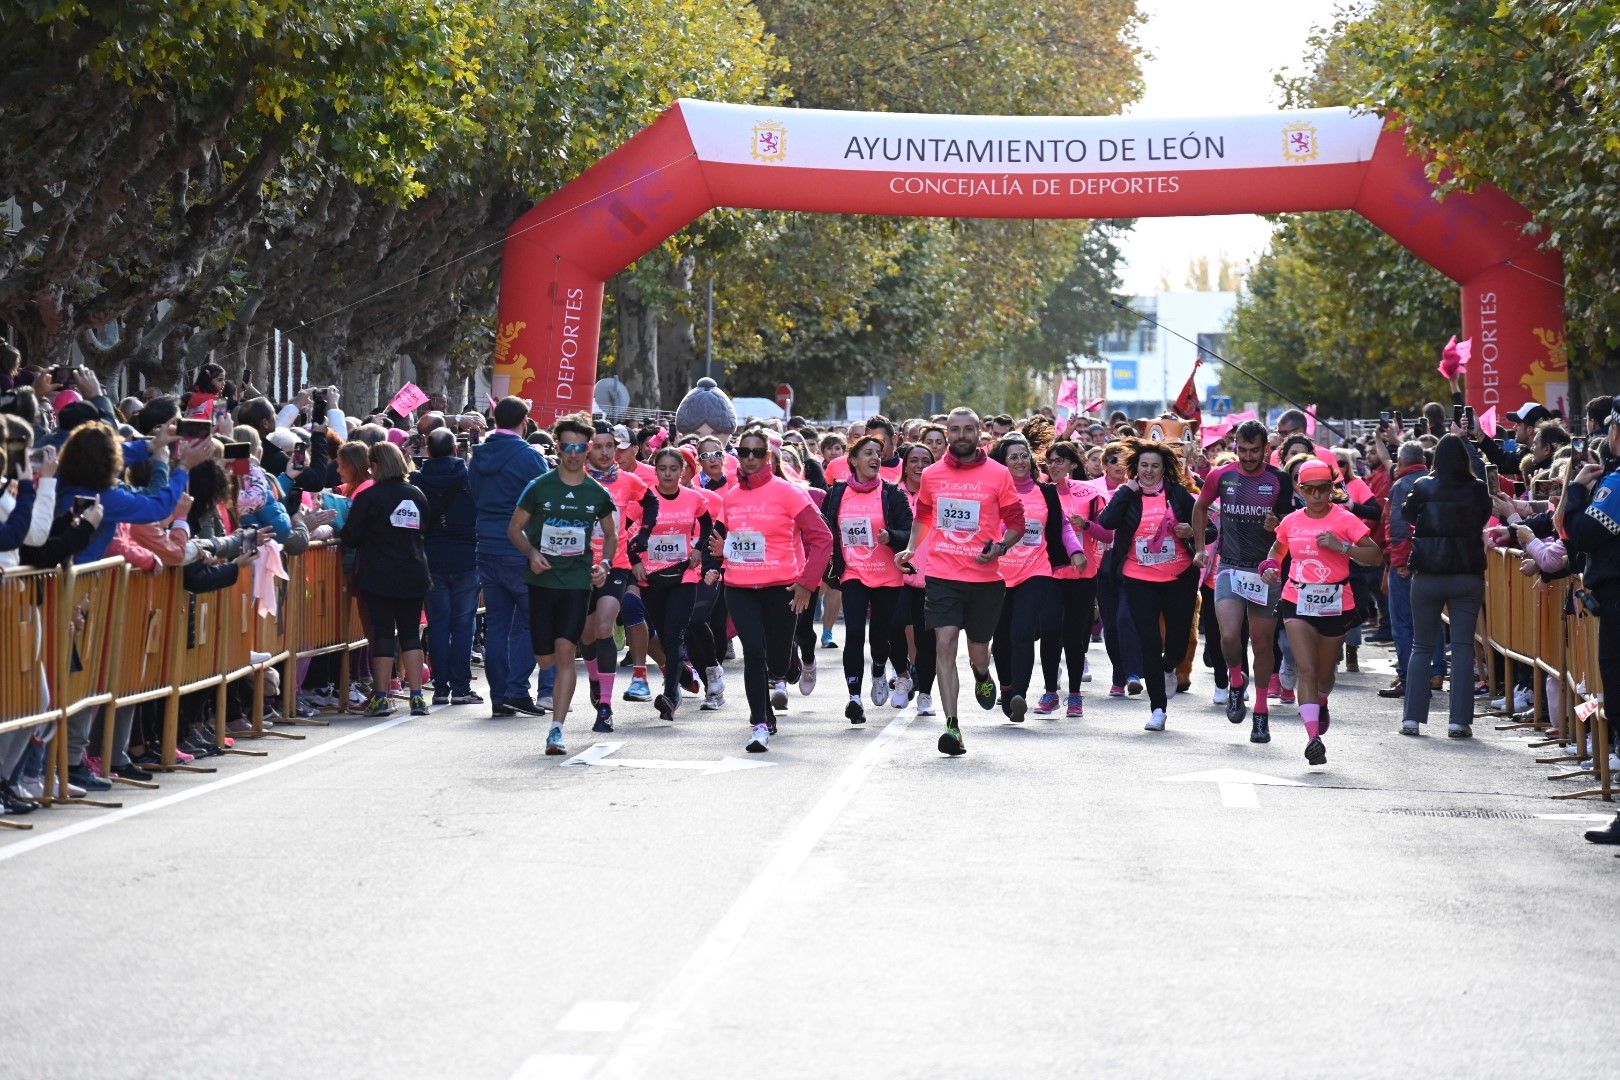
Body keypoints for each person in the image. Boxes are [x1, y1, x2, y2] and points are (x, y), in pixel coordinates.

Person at [894, 408, 1025, 757]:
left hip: (985, 578)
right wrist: (910, 548)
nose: (961, 435)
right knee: (944, 643)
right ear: (947, 433)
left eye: (968, 429)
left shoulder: (998, 474)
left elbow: (1016, 522)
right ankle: (953, 727)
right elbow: (923, 514)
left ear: (979, 432)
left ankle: (982, 676)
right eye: (955, 429)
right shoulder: (933, 475)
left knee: (978, 652)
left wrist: (1000, 547)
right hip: (943, 575)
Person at [709, 425, 832, 753]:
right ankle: (759, 723)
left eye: (756, 453)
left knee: (776, 663)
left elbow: (823, 538)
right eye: (743, 452)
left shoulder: (789, 492)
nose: (749, 459)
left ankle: (786, 665)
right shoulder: (731, 497)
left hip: (782, 588)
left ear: (768, 457)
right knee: (754, 653)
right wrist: (717, 553)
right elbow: (720, 539)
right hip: (740, 587)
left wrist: (807, 583)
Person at [507, 413, 616, 755]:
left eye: (580, 447)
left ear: (587, 449)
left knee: (567, 651)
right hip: (542, 581)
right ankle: (555, 702)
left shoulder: (595, 493)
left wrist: (605, 564)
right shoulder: (540, 486)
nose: (574, 453)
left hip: (576, 581)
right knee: (546, 658)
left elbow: (611, 535)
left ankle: (557, 729)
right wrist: (532, 553)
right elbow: (514, 529)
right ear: (558, 447)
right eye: (567, 446)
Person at [1261, 457, 1382, 764]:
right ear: (1300, 490)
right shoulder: (1291, 521)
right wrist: (1271, 566)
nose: (1316, 496)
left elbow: (1374, 555)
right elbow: (1277, 548)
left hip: (1336, 604)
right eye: (1310, 490)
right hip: (1296, 598)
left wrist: (1343, 548)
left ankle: (1322, 700)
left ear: (1332, 488)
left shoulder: (1344, 520)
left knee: (1325, 675)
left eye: (1323, 489)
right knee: (1307, 670)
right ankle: (1313, 737)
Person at [1191, 419, 1294, 743]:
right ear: (1235, 447)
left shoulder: (1277, 480)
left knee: (1263, 645)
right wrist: (1199, 548)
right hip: (1231, 567)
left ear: (1267, 448)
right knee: (1229, 636)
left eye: (1255, 451)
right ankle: (1237, 681)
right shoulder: (1222, 476)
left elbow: (1290, 525)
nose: (1249, 456)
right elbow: (1200, 507)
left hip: (1265, 570)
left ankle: (1261, 712)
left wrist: (1277, 526)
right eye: (1243, 450)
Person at [1097, 438, 1199, 732]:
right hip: (1138, 577)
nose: (1149, 471)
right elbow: (1106, 522)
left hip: (1178, 577)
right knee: (1149, 644)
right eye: (1144, 466)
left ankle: (1171, 666)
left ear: (1164, 468)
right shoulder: (1127, 494)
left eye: (1155, 466)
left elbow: (1209, 529)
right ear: (1136, 468)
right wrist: (1125, 492)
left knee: (1177, 644)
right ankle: (1158, 709)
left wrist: (1190, 531)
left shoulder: (1178, 494)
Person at [1399, 434, 1494, 737]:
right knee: (1464, 646)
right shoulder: (1477, 488)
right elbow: (1483, 517)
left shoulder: (1423, 486)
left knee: (1421, 646)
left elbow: (1407, 513)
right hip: (1466, 573)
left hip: (1427, 573)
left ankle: (1412, 719)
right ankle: (1458, 721)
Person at [988, 433, 1085, 722]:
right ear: (1003, 463)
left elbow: (1063, 527)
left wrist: (1076, 551)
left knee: (1022, 632)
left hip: (1036, 570)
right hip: (998, 574)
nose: (1019, 461)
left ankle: (1019, 693)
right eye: (1013, 456)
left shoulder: (1045, 492)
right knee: (1001, 639)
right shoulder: (993, 493)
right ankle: (1006, 687)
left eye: (1023, 455)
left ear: (1031, 459)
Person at [469, 397, 553, 718]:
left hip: (487, 546)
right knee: (533, 621)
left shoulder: (478, 456)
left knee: (498, 626)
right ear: (526, 420)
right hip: (522, 548)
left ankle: (501, 695)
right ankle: (517, 690)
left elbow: (474, 494)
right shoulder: (530, 457)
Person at [821, 435, 912, 725]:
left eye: (878, 453)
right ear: (854, 460)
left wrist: (891, 537)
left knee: (880, 637)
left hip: (888, 575)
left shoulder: (891, 494)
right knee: (855, 634)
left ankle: (878, 670)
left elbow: (910, 531)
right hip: (854, 573)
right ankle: (854, 697)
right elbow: (826, 530)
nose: (875, 457)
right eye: (868, 453)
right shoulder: (837, 494)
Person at [340, 441, 432, 717]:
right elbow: (424, 528)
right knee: (410, 634)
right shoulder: (416, 494)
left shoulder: (369, 497)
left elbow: (351, 536)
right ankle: (416, 696)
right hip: (413, 572)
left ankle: (381, 696)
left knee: (382, 635)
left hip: (378, 575)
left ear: (377, 465)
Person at [629, 447, 718, 721]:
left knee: (673, 634)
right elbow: (623, 530)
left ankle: (671, 695)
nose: (668, 474)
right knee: (663, 633)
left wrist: (698, 550)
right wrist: (635, 561)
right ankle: (680, 677)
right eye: (662, 469)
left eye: (673, 469)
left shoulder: (694, 498)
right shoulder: (644, 499)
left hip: (683, 575)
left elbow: (707, 524)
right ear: (655, 471)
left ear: (683, 472)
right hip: (652, 576)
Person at [581, 419, 649, 730]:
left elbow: (651, 503)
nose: (606, 452)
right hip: (579, 567)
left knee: (606, 626)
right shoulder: (574, 480)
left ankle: (605, 707)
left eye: (611, 446)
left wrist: (638, 534)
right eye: (599, 446)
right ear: (587, 449)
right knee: (587, 634)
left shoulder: (628, 481)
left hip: (616, 564)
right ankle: (596, 679)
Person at [1036, 440, 1110, 717]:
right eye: (1050, 460)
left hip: (1082, 573)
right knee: (1050, 630)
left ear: (1073, 465)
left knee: (1074, 637)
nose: (1053, 466)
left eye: (1060, 461)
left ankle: (1075, 695)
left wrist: (1087, 525)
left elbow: (1108, 534)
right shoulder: (1040, 492)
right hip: (1048, 572)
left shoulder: (1090, 494)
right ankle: (1050, 692)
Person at [414, 428, 481, 706]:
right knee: (464, 624)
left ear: (428, 451)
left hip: (432, 556)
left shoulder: (417, 480)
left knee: (439, 624)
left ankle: (441, 687)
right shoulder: (469, 478)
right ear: (455, 450)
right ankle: (461, 686)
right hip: (466, 556)